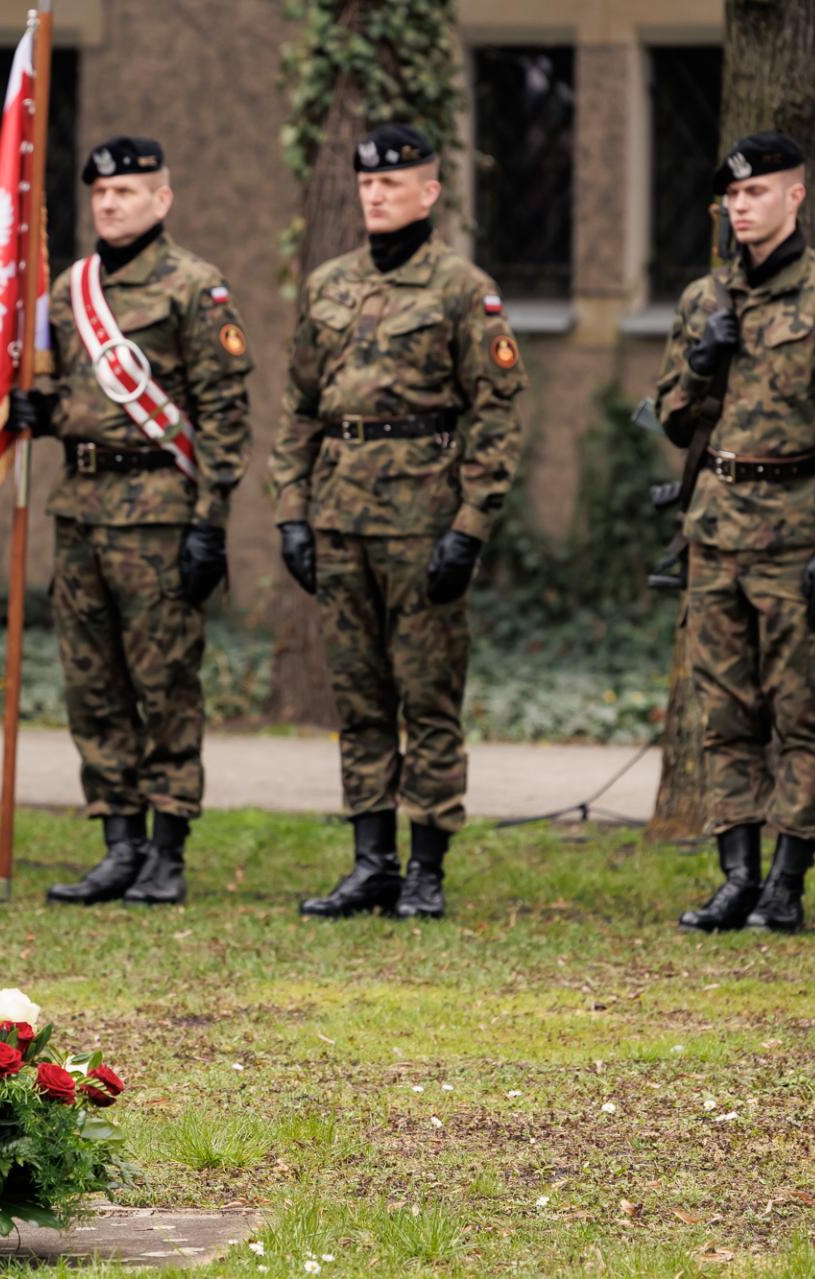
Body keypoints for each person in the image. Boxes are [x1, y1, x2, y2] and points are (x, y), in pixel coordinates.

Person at [268, 124, 526, 920]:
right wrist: (292, 514)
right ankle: (372, 860)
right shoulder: (329, 285)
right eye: (367, 182)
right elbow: (300, 407)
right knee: (360, 698)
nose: (376, 193)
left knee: (428, 698)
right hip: (340, 517)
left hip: (424, 523)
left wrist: (470, 525)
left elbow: (498, 414)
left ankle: (429, 865)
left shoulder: (461, 288)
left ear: (429, 191)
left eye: (394, 181)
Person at [9, 134, 252, 907]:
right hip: (77, 510)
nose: (110, 203)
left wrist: (211, 522)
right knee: (94, 684)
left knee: (165, 682)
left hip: (159, 515)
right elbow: (71, 396)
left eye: (128, 191)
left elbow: (223, 415)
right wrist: (36, 413)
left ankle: (169, 848)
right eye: (101, 194)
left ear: (162, 199)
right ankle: (119, 840)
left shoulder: (194, 288)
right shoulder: (67, 289)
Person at [656, 131, 815, 933]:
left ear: (796, 197)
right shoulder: (702, 302)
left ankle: (788, 877)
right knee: (723, 710)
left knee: (799, 709)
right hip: (716, 528)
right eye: (733, 196)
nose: (742, 206)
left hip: (796, 529)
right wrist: (700, 365)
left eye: (758, 193)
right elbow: (674, 420)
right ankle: (737, 873)